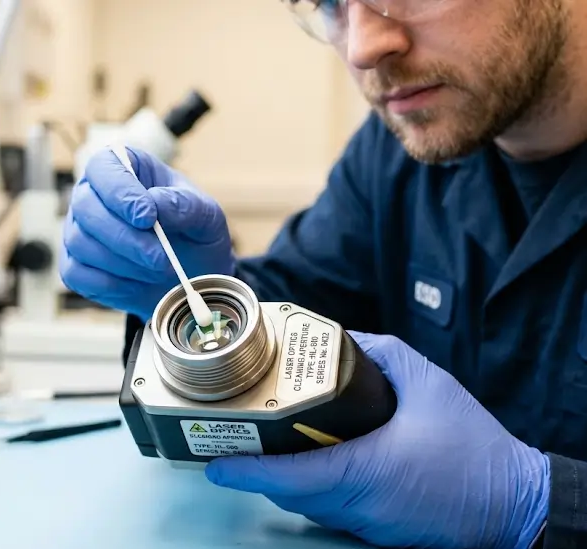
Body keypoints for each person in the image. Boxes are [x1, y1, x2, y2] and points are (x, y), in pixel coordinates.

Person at [60, 0, 587, 546]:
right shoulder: (397, 150)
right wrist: (197, 308)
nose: (362, 47)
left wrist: (545, 505)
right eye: (328, 5)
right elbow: (299, 311)